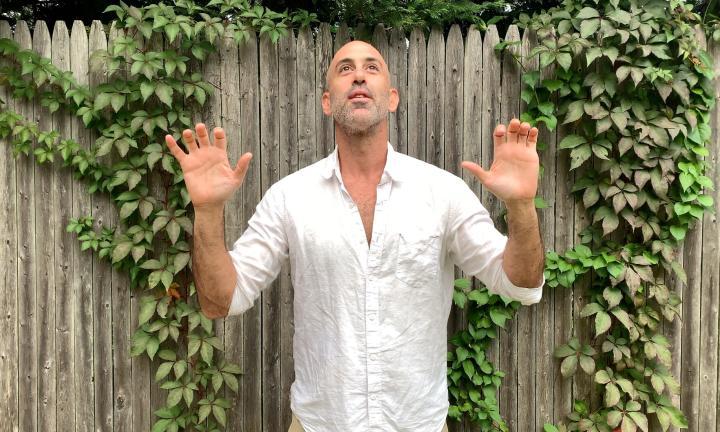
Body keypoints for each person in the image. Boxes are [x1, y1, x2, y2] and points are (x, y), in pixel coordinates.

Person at [165, 40, 544, 432]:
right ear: (327, 102)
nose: (359, 75)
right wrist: (208, 212)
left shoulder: (442, 193)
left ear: (392, 98)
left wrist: (521, 206)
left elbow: (521, 283)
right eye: (345, 68)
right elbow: (220, 301)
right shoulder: (289, 197)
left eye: (371, 67)